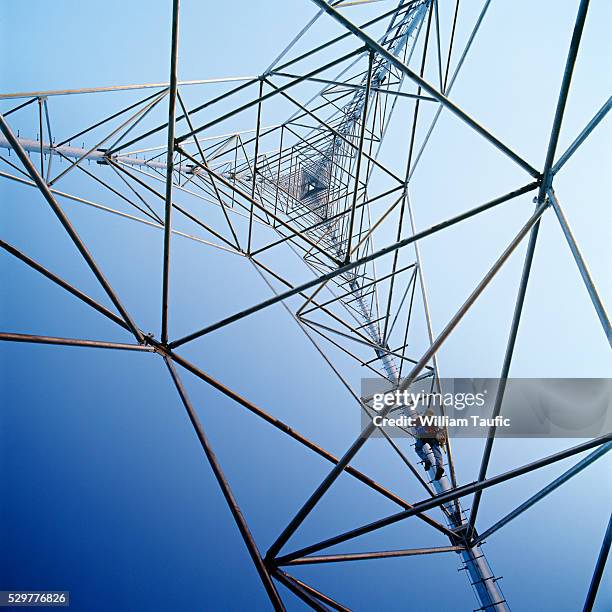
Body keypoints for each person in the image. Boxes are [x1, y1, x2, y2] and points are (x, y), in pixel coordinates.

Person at [413, 408, 446, 481]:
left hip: (422, 437)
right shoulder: (432, 419)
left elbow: (413, 423)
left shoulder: (420, 419)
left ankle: (427, 460)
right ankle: (439, 467)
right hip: (432, 436)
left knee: (418, 449)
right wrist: (442, 434)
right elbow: (438, 428)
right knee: (437, 452)